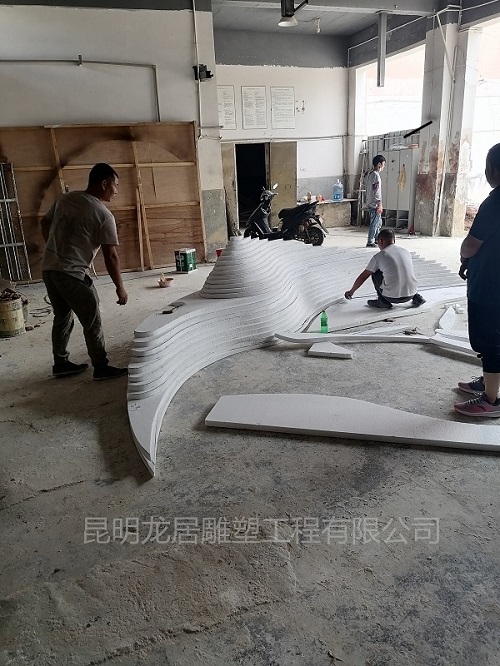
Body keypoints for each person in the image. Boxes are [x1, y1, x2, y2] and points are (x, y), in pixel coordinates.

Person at [41, 163, 129, 380]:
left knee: (62, 316)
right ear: (104, 184)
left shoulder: (65, 199)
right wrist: (120, 288)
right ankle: (101, 367)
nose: (116, 191)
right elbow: (111, 256)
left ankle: (61, 363)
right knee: (92, 319)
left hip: (49, 269)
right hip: (71, 274)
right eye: (115, 186)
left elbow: (44, 222)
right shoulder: (103, 215)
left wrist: (53, 249)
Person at [454, 143, 500, 417]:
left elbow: (471, 244)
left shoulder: (494, 203)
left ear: (492, 170)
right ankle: (489, 380)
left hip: (490, 285)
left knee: (488, 340)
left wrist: (464, 256)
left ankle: (491, 400)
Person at [344, 227, 426, 309]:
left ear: (381, 241)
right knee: (403, 270)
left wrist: (351, 292)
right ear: (394, 240)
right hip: (411, 294)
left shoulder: (379, 256)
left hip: (391, 297)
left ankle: (382, 301)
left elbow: (363, 277)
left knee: (375, 272)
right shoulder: (406, 251)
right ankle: (417, 298)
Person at [365, 155, 386, 247]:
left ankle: (377, 238)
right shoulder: (376, 176)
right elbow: (376, 191)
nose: (384, 167)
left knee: (378, 223)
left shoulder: (370, 174)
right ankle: (370, 241)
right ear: (379, 164)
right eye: (383, 164)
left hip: (370, 202)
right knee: (374, 223)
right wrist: (379, 203)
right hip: (374, 204)